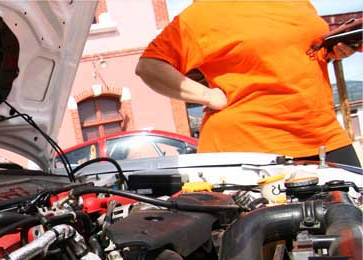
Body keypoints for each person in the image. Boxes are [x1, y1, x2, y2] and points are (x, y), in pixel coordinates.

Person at [135, 0, 361, 167]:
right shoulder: (205, 12)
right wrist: (207, 96)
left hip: (322, 133)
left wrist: (331, 52)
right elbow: (150, 66)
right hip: (251, 145)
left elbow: (289, 53)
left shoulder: (298, 3)